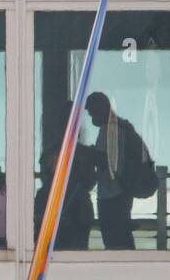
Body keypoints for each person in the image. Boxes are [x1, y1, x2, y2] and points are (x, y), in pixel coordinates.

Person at [34, 103, 98, 250]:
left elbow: (46, 178)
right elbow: (90, 181)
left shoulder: (49, 153)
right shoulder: (83, 153)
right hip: (78, 209)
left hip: (52, 207)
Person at [85, 92, 140, 249]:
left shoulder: (108, 129)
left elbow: (103, 161)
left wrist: (85, 152)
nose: (91, 117)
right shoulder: (122, 126)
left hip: (111, 194)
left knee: (113, 239)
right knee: (122, 235)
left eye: (91, 112)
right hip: (123, 191)